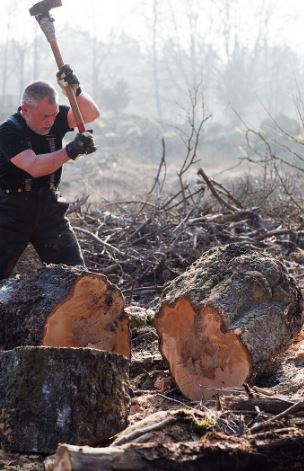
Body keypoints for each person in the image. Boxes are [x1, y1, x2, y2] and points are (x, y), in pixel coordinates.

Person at [0, 65, 100, 279]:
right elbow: (35, 167)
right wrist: (71, 150)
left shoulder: (55, 116)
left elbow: (91, 113)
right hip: (11, 210)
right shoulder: (8, 130)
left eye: (53, 115)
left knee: (75, 275)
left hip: (49, 207)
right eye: (44, 116)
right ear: (25, 110)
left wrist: (74, 91)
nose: (50, 122)